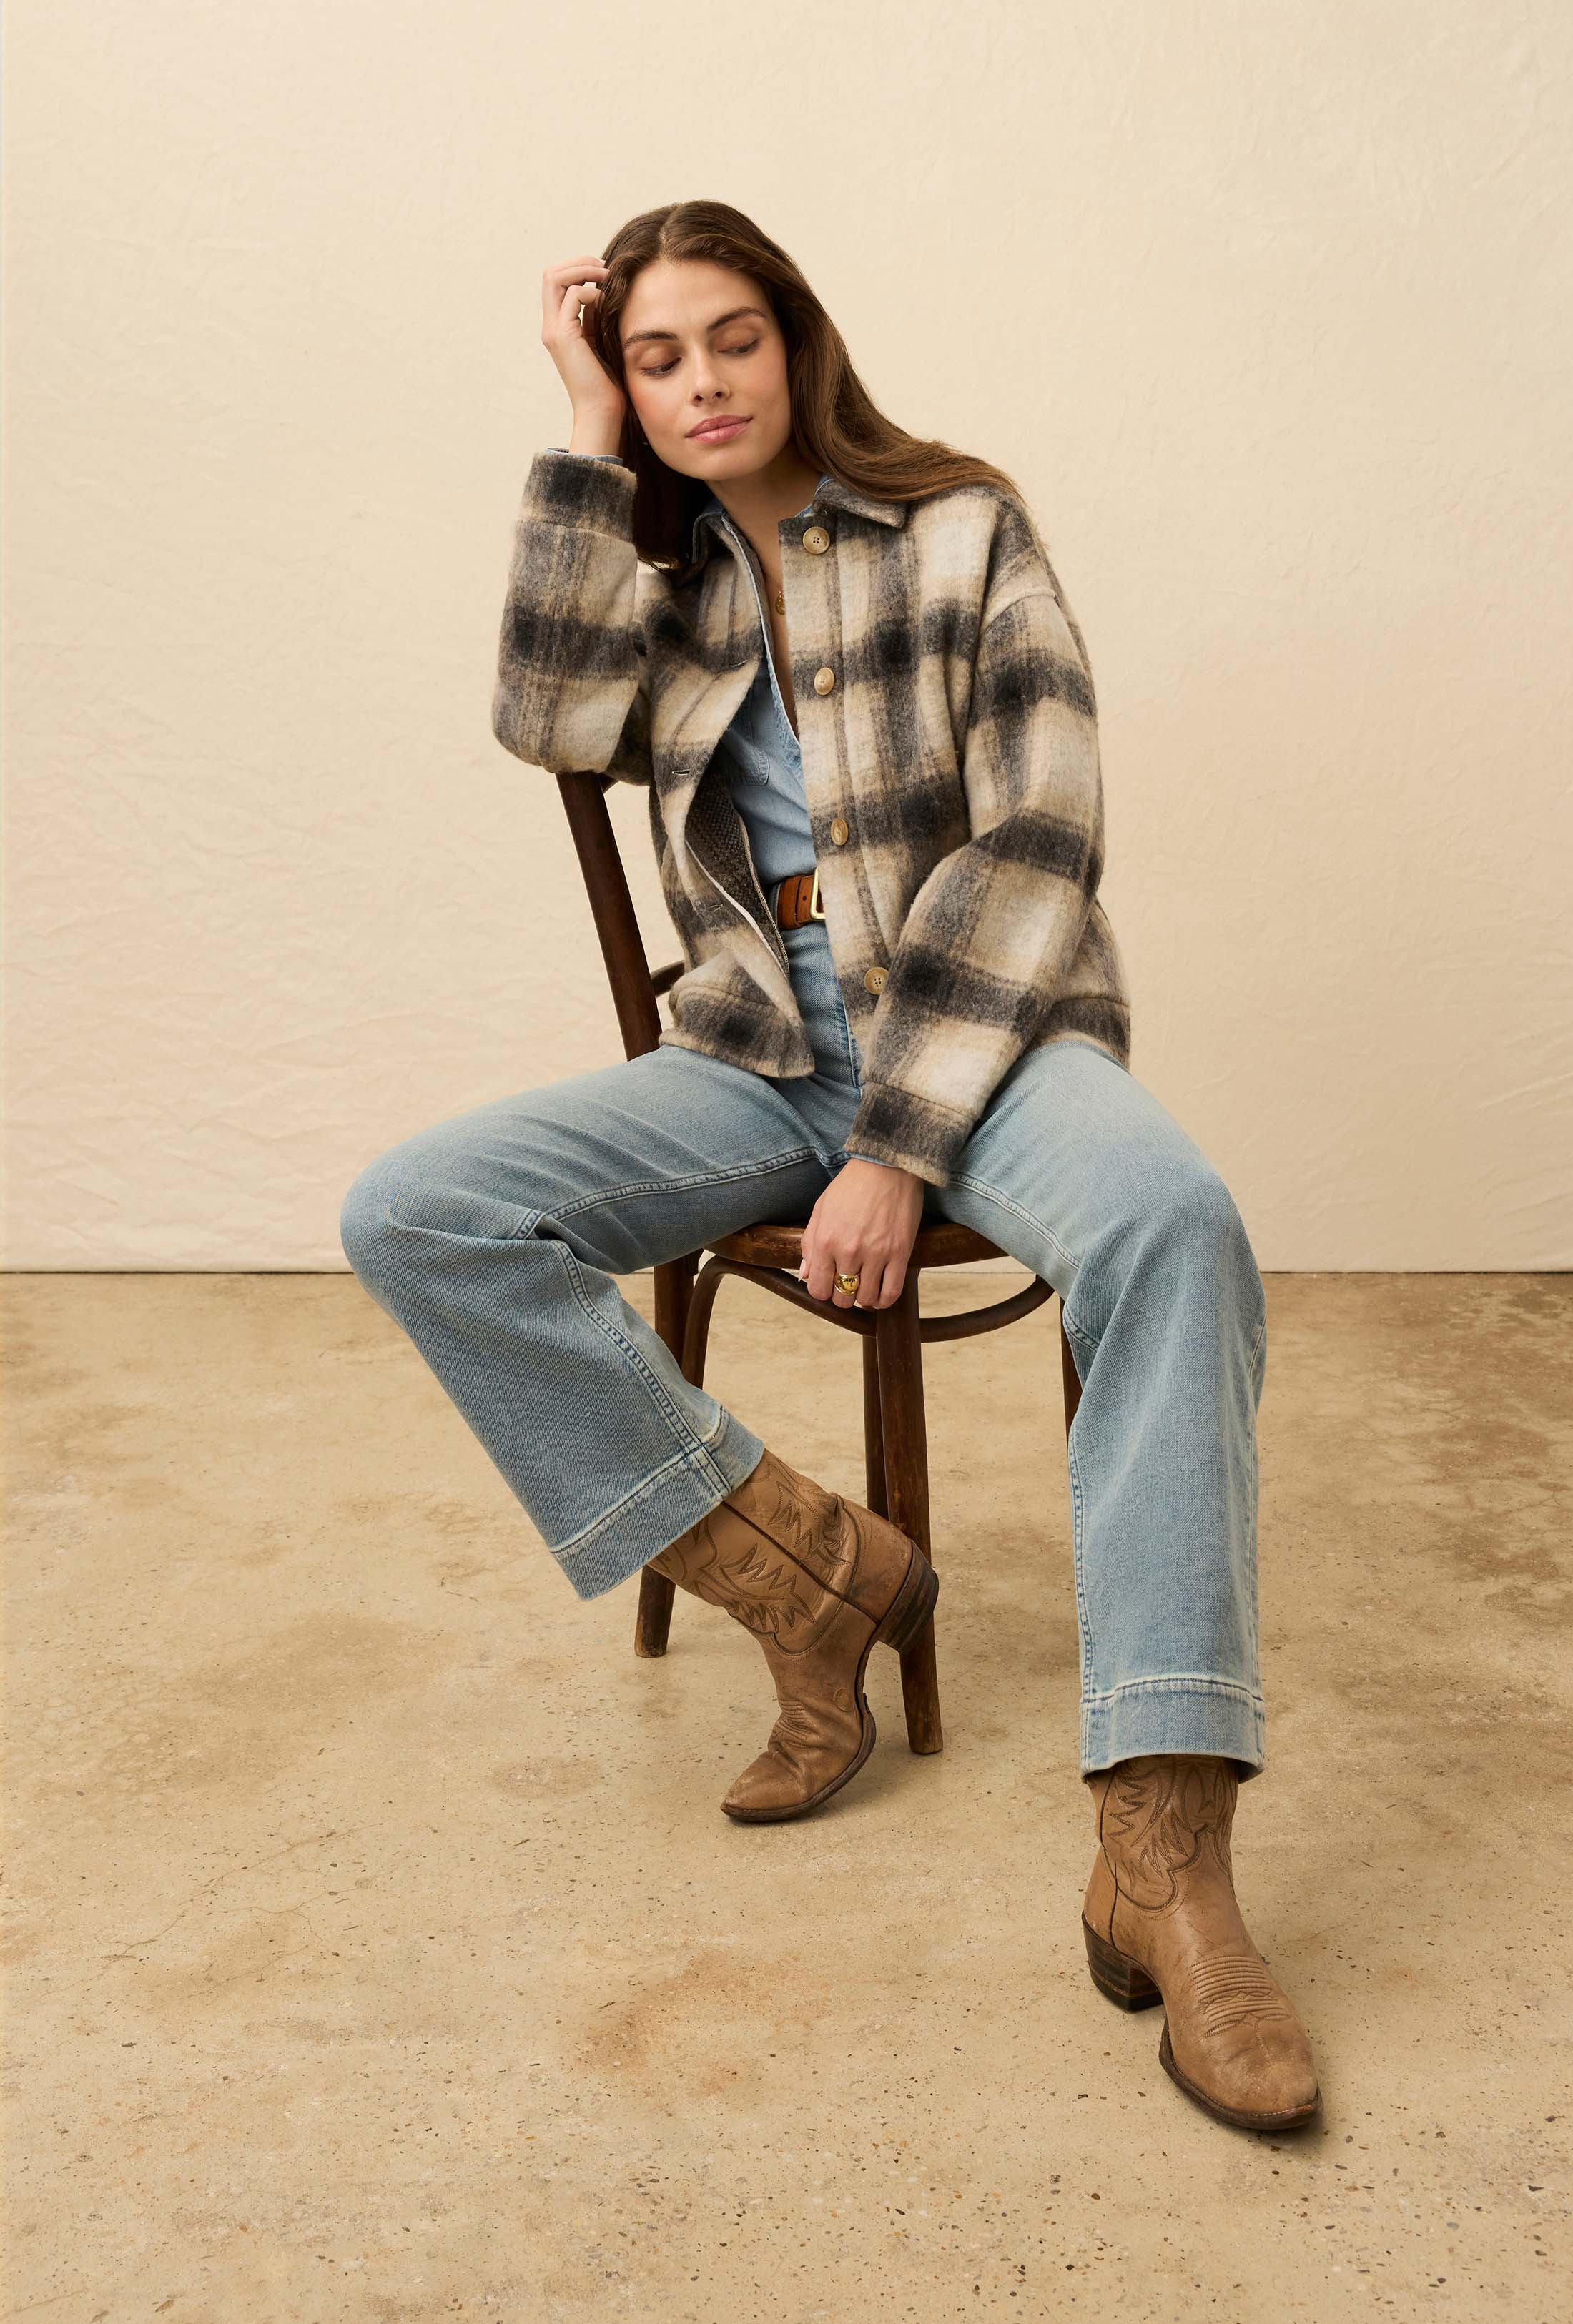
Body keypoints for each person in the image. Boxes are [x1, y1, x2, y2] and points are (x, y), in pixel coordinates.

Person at [339, 199, 1320, 2133]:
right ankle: (806, 1580)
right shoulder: (660, 569)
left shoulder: (960, 527)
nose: (700, 385)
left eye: (730, 342)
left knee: (1179, 1225)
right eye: (654, 356)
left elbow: (1036, 845)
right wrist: (578, 452)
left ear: (798, 341)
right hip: (749, 1044)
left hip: (987, 1032)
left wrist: (898, 1145)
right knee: (419, 1208)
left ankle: (1169, 1860)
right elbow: (547, 721)